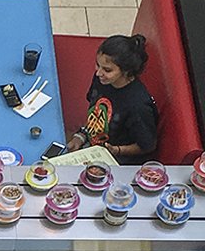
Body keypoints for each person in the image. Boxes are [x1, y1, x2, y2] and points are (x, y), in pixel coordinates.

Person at [66, 34, 159, 165]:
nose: (98, 73)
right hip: (92, 144)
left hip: (116, 159)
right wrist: (81, 136)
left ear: (126, 70)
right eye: (97, 65)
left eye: (107, 70)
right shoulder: (102, 79)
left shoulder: (137, 105)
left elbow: (148, 145)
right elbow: (96, 113)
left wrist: (116, 150)